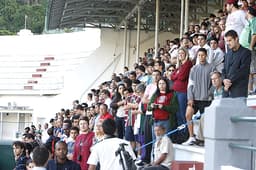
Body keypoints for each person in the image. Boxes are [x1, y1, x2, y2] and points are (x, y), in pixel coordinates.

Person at [183, 48, 215, 145]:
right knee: (188, 114)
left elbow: (214, 83)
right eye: (199, 55)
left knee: (204, 120)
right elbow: (190, 84)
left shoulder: (212, 68)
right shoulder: (193, 69)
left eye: (203, 55)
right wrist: (190, 97)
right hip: (194, 98)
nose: (201, 57)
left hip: (206, 99)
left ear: (206, 56)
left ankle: (204, 139)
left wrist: (209, 93)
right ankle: (191, 136)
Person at [171, 47, 193, 143]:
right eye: (179, 53)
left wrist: (176, 75)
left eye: (182, 53)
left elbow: (182, 77)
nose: (180, 55)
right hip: (176, 92)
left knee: (183, 114)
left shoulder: (188, 63)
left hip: (183, 92)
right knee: (178, 114)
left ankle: (185, 134)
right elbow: (172, 77)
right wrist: (177, 75)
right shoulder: (179, 66)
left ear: (186, 54)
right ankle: (180, 133)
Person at [222, 30, 251, 98]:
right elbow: (224, 70)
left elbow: (243, 71)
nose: (228, 43)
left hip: (239, 91)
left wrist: (229, 81)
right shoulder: (227, 54)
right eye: (226, 41)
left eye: (230, 40)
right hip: (226, 90)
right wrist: (224, 80)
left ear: (236, 39)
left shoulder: (246, 53)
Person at [239, 6, 256, 94]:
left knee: (252, 71)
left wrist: (250, 47)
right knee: (249, 71)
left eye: (245, 11)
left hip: (250, 49)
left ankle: (252, 90)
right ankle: (249, 90)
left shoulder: (254, 20)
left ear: (248, 11)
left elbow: (254, 34)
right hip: (246, 50)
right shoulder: (250, 22)